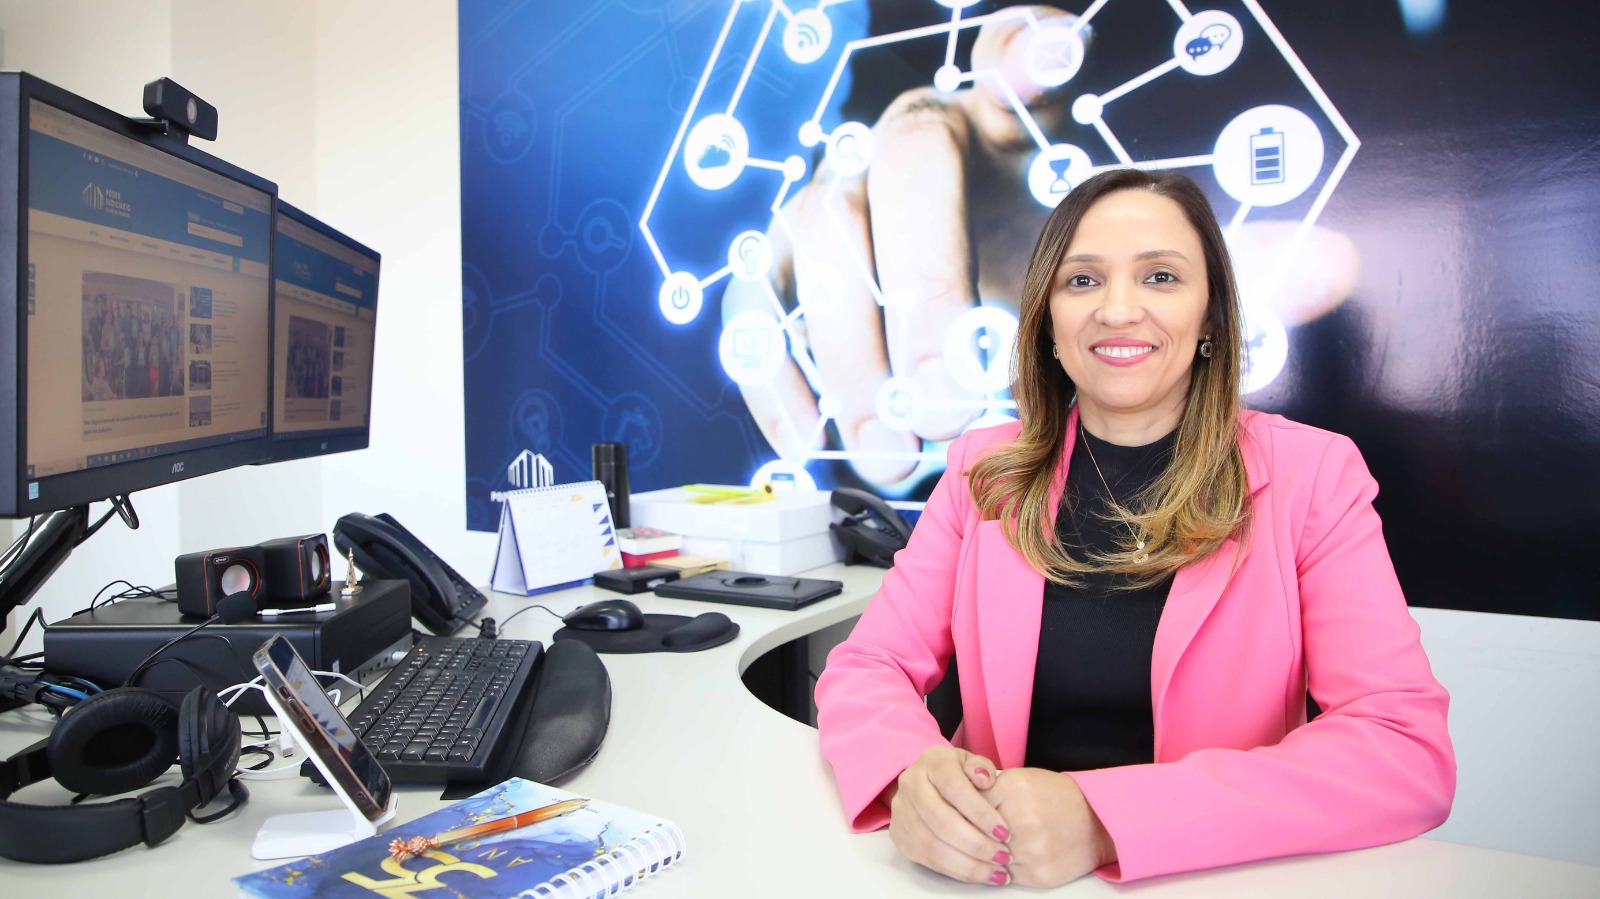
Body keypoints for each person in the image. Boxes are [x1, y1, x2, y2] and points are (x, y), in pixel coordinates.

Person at [814, 168, 1453, 887]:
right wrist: (912, 777)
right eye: (1082, 281)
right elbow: (869, 665)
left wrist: (1100, 820)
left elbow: (1403, 749)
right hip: (999, 874)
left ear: (1210, 317)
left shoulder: (1314, 475)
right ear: (1047, 321)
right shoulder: (980, 469)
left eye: (1160, 277)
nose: (1117, 309)